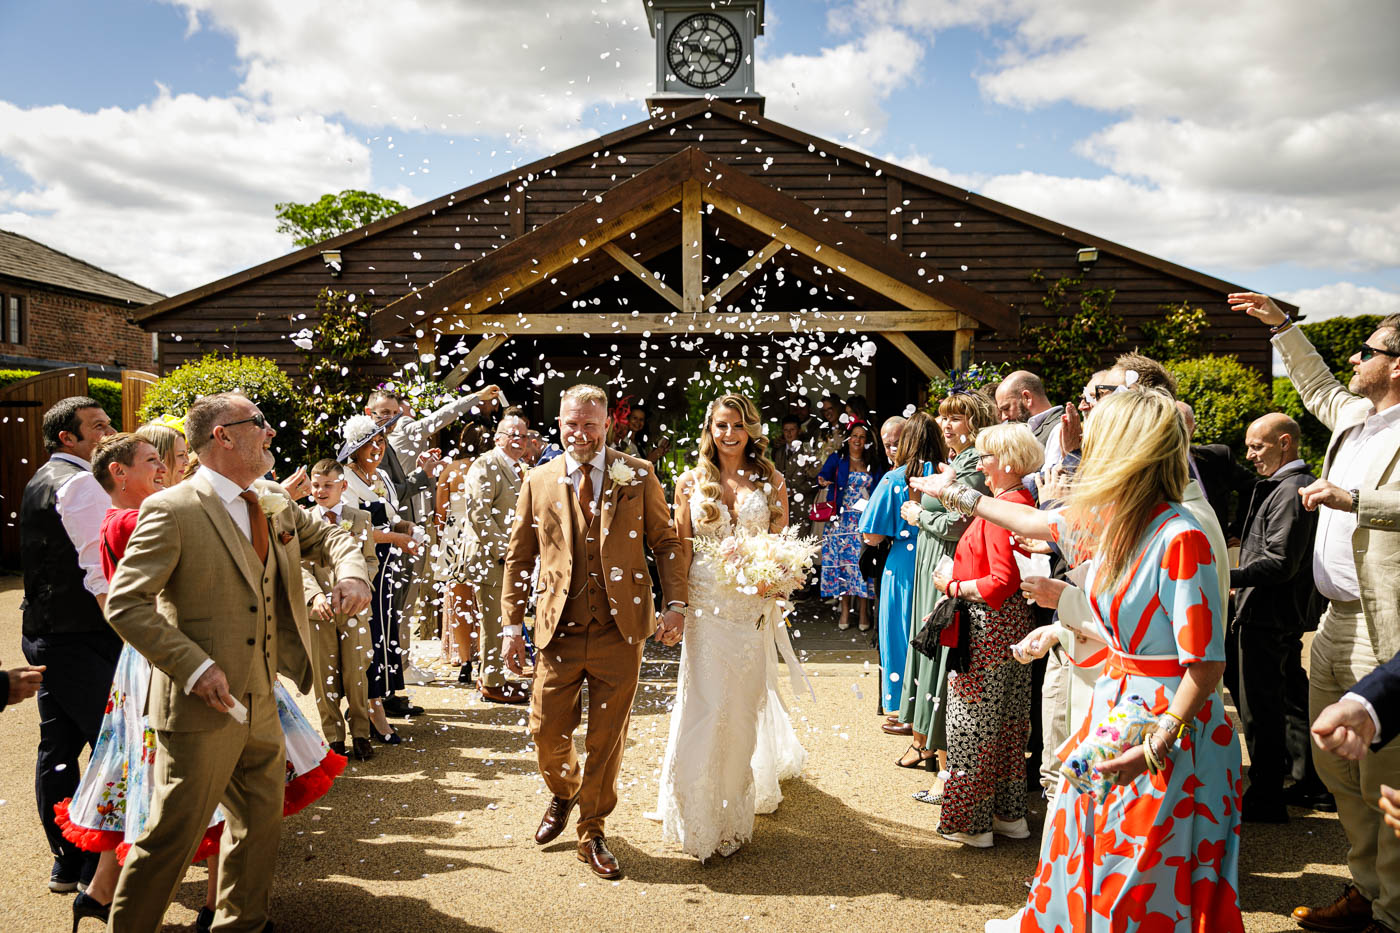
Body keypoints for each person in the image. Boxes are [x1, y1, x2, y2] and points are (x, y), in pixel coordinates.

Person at [918, 389, 1242, 931]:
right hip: (1115, 705)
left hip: (1166, 724)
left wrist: (1159, 741)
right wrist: (955, 493)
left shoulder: (1181, 535)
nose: (1084, 448)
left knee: (1142, 871)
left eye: (1097, 439)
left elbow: (1205, 663)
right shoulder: (1114, 521)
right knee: (1080, 836)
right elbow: (1029, 525)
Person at [104, 393, 370, 933]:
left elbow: (332, 536)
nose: (271, 433)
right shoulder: (171, 508)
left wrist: (352, 573)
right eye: (260, 424)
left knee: (258, 826)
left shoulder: (271, 498)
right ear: (222, 436)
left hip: (263, 700)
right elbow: (125, 603)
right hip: (201, 707)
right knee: (169, 839)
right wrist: (194, 667)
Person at [1232, 291, 1400, 933]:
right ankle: (1368, 887)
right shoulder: (1357, 415)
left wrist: (1355, 499)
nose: (1355, 357)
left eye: (1370, 350)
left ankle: (1390, 910)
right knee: (1335, 766)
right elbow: (1316, 383)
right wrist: (1281, 327)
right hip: (1331, 620)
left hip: (1382, 623)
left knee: (1382, 769)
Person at [501, 384, 688, 880]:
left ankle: (593, 830)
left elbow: (667, 542)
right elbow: (520, 556)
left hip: (618, 631)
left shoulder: (639, 474)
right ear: (559, 423)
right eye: (571, 423)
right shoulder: (537, 479)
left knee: (607, 738)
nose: (579, 433)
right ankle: (564, 791)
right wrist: (509, 626)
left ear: (607, 425)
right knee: (544, 731)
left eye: (589, 424)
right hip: (555, 631)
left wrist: (675, 604)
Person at [646, 394, 807, 861]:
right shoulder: (690, 483)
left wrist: (777, 581)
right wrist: (674, 604)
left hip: (750, 607)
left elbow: (781, 543)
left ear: (750, 429)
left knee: (740, 706)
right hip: (705, 605)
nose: (730, 434)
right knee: (705, 701)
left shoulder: (770, 480)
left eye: (737, 425)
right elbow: (679, 548)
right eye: (721, 425)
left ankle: (731, 805)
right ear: (709, 430)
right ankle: (696, 815)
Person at [19, 395, 117, 893]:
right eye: (98, 427)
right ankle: (97, 869)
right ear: (69, 439)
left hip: (47, 632)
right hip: (79, 637)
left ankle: (67, 861)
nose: (110, 432)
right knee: (114, 742)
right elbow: (99, 568)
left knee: (58, 746)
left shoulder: (41, 477)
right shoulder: (80, 482)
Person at [928, 422, 1042, 847]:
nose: (980, 464)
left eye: (987, 456)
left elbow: (999, 582)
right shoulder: (1020, 502)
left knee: (971, 726)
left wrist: (952, 586)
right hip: (1011, 628)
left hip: (988, 628)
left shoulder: (1002, 509)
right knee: (1010, 725)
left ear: (1010, 462)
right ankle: (1007, 815)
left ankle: (971, 824)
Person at [367, 384, 502, 686]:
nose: (390, 419)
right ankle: (397, 665)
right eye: (383, 414)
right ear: (369, 414)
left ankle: (400, 663)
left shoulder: (393, 435)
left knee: (405, 600)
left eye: (394, 413)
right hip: (396, 527)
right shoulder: (397, 434)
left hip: (411, 523)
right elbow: (440, 417)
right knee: (398, 601)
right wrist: (476, 398)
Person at [1232, 413, 1326, 822]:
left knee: (1262, 707)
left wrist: (1224, 574)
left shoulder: (1292, 490)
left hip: (1269, 614)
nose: (1250, 455)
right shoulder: (1287, 487)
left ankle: (1267, 796)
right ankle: (1309, 782)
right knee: (1288, 701)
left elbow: (1280, 562)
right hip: (1273, 612)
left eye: (1258, 446)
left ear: (1285, 443)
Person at [904, 394, 995, 797]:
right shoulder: (957, 461)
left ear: (975, 422)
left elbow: (961, 524)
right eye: (943, 419)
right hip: (931, 559)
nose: (946, 426)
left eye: (956, 418)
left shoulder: (974, 464)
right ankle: (929, 745)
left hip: (948, 562)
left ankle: (945, 764)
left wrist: (918, 515)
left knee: (941, 653)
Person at [340, 414, 423, 742]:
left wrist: (408, 528)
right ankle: (369, 711)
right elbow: (350, 529)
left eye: (380, 442)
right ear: (355, 449)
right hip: (362, 569)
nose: (377, 448)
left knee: (386, 635)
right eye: (369, 444)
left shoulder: (382, 477)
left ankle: (377, 703)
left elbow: (392, 516)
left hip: (389, 568)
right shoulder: (346, 479)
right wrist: (397, 539)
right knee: (368, 638)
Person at [301, 459, 379, 761]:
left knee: (356, 674)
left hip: (354, 610)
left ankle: (361, 732)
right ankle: (333, 738)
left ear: (343, 486)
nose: (320, 491)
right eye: (316, 485)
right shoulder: (303, 520)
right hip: (319, 611)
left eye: (328, 485)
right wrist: (314, 596)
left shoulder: (360, 519)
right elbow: (296, 565)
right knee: (324, 677)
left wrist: (358, 584)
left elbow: (370, 560)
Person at [459, 408, 531, 703]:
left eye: (524, 436)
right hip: (492, 558)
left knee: (506, 619)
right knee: (492, 621)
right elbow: (478, 513)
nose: (519, 440)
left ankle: (496, 673)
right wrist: (506, 551)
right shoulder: (485, 465)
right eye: (513, 435)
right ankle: (491, 682)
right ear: (498, 438)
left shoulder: (521, 467)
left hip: (512, 559)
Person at [860, 414, 929, 722]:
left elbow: (870, 535)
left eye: (896, 443)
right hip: (933, 558)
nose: (890, 449)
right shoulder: (941, 472)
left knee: (900, 632)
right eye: (886, 444)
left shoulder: (895, 477)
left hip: (901, 561)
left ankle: (902, 707)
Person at [431, 421, 495, 684]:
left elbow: (439, 514)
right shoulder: (492, 469)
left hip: (455, 537)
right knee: (487, 599)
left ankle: (465, 662)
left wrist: (443, 537)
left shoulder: (451, 470)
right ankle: (486, 657)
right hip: (483, 535)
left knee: (459, 602)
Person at [816, 421, 886, 632]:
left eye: (862, 437)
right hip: (841, 521)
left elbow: (882, 485)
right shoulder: (838, 459)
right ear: (848, 438)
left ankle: (864, 610)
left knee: (862, 565)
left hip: (864, 522)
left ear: (866, 441)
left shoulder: (872, 461)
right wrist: (823, 481)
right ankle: (845, 609)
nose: (857, 440)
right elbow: (823, 475)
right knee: (843, 566)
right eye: (854, 436)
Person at [994, 371, 1065, 466]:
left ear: (1027, 398)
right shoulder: (1026, 429)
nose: (1003, 417)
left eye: (1006, 408)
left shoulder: (1059, 428)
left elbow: (1050, 476)